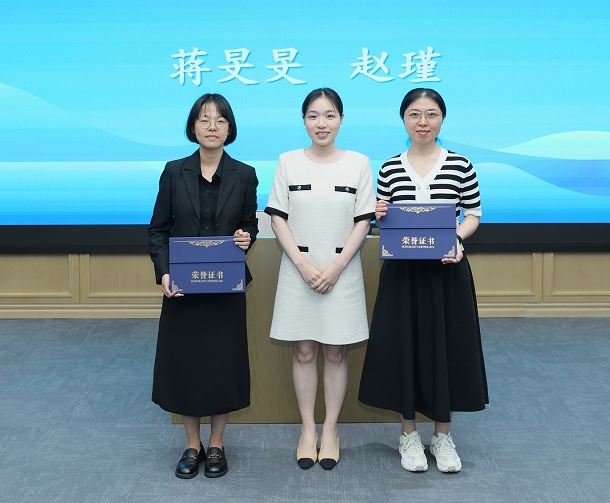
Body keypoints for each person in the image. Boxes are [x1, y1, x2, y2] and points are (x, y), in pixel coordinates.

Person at [358, 87, 488, 474]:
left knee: (448, 348)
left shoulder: (460, 164)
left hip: (447, 272)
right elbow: (382, 220)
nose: (423, 122)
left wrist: (456, 238)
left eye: (431, 114)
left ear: (442, 119)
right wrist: (378, 213)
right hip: (403, 274)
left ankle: (442, 437)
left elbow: (473, 215)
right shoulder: (389, 168)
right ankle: (409, 435)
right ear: (404, 119)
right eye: (414, 114)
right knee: (405, 349)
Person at [147, 93, 259, 480]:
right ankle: (192, 444)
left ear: (230, 129)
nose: (212, 127)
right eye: (204, 120)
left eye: (220, 120)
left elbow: (249, 225)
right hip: (183, 288)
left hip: (225, 287)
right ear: (193, 127)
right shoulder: (173, 171)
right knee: (187, 365)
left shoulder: (245, 174)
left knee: (221, 365)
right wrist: (164, 272)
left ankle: (217, 444)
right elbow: (158, 229)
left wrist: (246, 237)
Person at [265, 87, 374, 471]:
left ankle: (330, 431)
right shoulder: (288, 161)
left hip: (342, 272)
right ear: (304, 121)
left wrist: (336, 266)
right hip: (299, 271)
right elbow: (278, 217)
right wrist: (303, 265)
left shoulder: (359, 163)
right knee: (304, 351)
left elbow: (364, 220)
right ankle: (307, 429)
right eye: (313, 116)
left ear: (341, 120)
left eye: (329, 115)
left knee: (335, 352)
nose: (321, 123)